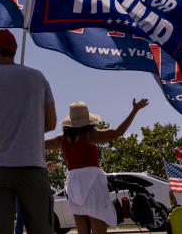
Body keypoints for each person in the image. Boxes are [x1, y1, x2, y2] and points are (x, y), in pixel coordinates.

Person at [0, 29, 57, 234]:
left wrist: (2, 122)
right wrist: (27, 127)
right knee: (42, 229)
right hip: (33, 166)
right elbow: (51, 123)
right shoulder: (38, 77)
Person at [45, 98, 149, 234]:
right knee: (99, 225)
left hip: (74, 183)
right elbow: (118, 132)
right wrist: (135, 110)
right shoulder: (90, 136)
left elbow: (37, 145)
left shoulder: (61, 139)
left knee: (82, 227)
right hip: (92, 182)